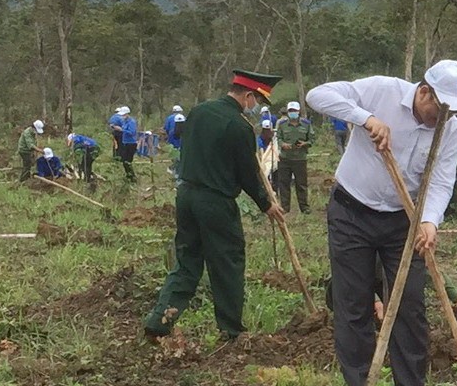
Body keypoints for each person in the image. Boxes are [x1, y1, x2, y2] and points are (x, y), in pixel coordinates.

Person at [306, 60, 457, 386]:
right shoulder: (382, 90)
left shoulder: (451, 129)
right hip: (351, 212)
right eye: (439, 108)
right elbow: (318, 95)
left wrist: (429, 220)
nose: (443, 117)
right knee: (354, 306)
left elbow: (442, 180)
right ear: (424, 91)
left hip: (403, 220)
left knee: (410, 307)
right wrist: (366, 118)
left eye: (452, 111)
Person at [143, 71, 284, 343]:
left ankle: (159, 322)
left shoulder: (199, 111)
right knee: (227, 263)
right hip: (216, 203)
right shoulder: (239, 126)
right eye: (256, 101)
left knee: (186, 262)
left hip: (185, 195)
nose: (255, 107)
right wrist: (267, 205)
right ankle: (231, 330)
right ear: (248, 96)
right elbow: (247, 174)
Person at [272, 99, 317, 213]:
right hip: (285, 159)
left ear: (298, 111)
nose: (292, 112)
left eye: (294, 110)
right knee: (284, 184)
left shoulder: (306, 124)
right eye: (290, 110)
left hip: (300, 159)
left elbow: (312, 139)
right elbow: (279, 138)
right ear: (287, 112)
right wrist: (283, 145)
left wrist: (304, 144)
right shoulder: (282, 124)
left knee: (301, 184)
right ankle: (285, 207)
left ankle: (304, 207)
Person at [108, 106, 140, 187]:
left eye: (123, 115)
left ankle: (132, 178)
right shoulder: (124, 121)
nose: (122, 116)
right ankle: (129, 176)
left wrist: (121, 130)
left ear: (127, 114)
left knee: (127, 161)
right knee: (124, 161)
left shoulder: (131, 122)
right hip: (125, 142)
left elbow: (132, 132)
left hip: (131, 143)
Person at [15, 118, 47, 183]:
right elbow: (31, 145)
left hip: (29, 151)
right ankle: (22, 180)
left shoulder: (33, 133)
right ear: (33, 127)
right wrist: (40, 151)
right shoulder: (27, 133)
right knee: (27, 165)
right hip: (24, 150)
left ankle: (27, 177)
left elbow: (34, 143)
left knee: (31, 164)